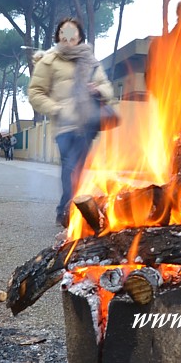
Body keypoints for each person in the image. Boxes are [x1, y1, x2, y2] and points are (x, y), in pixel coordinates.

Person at [28, 17, 114, 228]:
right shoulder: (48, 61)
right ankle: (68, 212)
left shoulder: (90, 61)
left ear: (80, 37)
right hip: (65, 125)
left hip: (88, 124)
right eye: (63, 34)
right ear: (58, 36)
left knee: (80, 169)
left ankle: (66, 210)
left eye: (72, 34)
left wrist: (98, 90)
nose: (68, 38)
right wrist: (57, 109)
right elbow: (35, 93)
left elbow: (108, 90)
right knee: (71, 168)